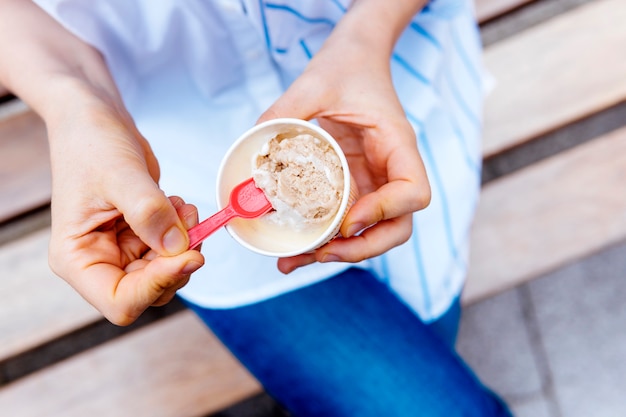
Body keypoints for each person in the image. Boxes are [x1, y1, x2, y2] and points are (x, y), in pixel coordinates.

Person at [0, 0, 512, 415]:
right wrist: (75, 103)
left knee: (431, 323)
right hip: (186, 159)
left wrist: (369, 32)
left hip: (390, 78)